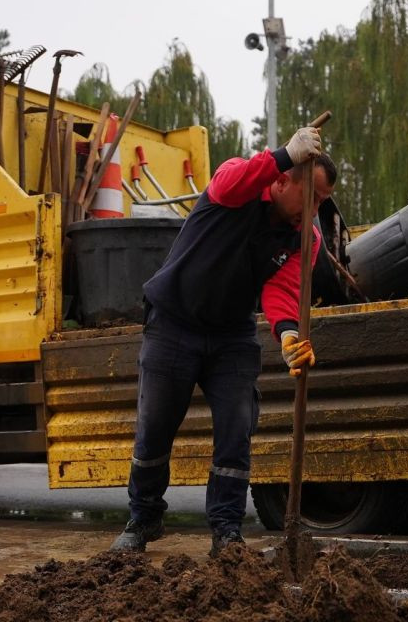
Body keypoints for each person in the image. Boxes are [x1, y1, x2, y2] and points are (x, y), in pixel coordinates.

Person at [110, 128, 336, 557]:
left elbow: (282, 292)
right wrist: (285, 152)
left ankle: (226, 532)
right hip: (173, 322)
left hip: (232, 335)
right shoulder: (240, 181)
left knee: (236, 430)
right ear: (283, 180)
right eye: (314, 197)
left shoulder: (305, 235)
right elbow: (232, 183)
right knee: (155, 429)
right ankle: (143, 518)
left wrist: (289, 334)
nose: (315, 210)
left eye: (322, 203)